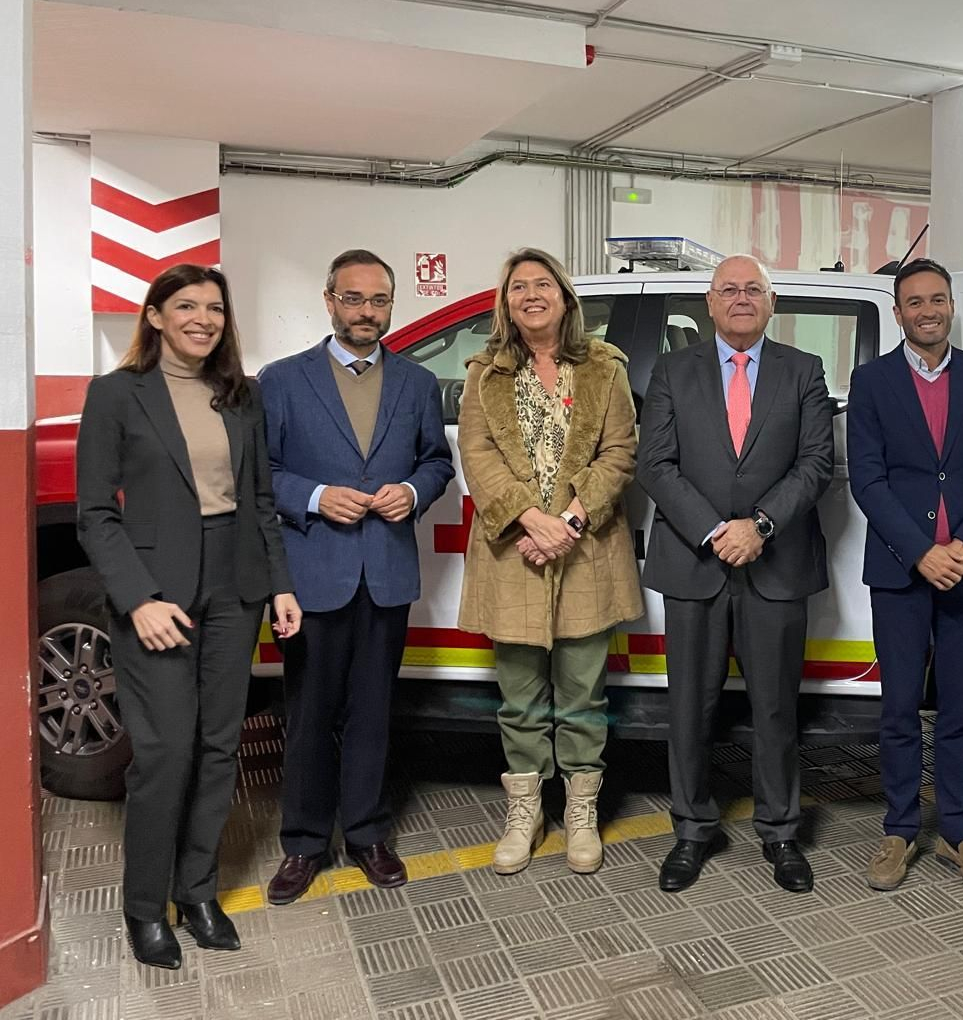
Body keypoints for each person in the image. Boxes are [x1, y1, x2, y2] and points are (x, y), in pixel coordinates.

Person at [76, 265, 302, 968]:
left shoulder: (242, 394)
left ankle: (197, 891)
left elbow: (260, 500)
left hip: (235, 585)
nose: (203, 318)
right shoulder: (116, 395)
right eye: (186, 306)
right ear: (155, 316)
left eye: (213, 307)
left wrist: (281, 586)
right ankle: (146, 906)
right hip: (157, 590)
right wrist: (138, 599)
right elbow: (93, 513)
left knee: (218, 747)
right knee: (165, 751)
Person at [259, 250, 454, 904]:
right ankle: (305, 843)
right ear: (329, 300)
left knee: (373, 712)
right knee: (310, 713)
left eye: (378, 301)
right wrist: (315, 497)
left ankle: (367, 833)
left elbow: (436, 462)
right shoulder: (282, 381)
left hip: (386, 574)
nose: (366, 312)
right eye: (353, 298)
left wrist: (411, 489)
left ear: (391, 306)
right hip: (315, 572)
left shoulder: (417, 384)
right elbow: (262, 474)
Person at [638, 255, 835, 893]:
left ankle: (781, 833)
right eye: (730, 289)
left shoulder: (803, 371)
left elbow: (814, 464)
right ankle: (693, 830)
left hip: (774, 563)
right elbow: (656, 463)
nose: (742, 298)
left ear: (772, 303)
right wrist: (716, 530)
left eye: (754, 289)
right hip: (695, 562)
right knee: (689, 708)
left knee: (776, 708)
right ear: (710, 302)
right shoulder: (673, 371)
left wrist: (760, 527)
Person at [456, 249, 643, 876]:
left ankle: (581, 814)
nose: (531, 294)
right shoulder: (485, 373)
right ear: (505, 303)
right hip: (513, 550)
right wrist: (526, 519)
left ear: (565, 297)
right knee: (519, 698)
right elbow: (478, 456)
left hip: (585, 547)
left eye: (543, 284)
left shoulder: (604, 368)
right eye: (518, 287)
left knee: (584, 695)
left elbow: (620, 451)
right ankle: (526, 812)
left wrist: (567, 520)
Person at [847, 258, 963, 894]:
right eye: (914, 301)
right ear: (898, 312)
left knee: (960, 706)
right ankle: (898, 830)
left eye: (937, 299)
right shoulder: (872, 381)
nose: (927, 310)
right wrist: (922, 551)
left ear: (951, 306)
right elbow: (867, 477)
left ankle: (956, 832)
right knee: (897, 708)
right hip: (899, 570)